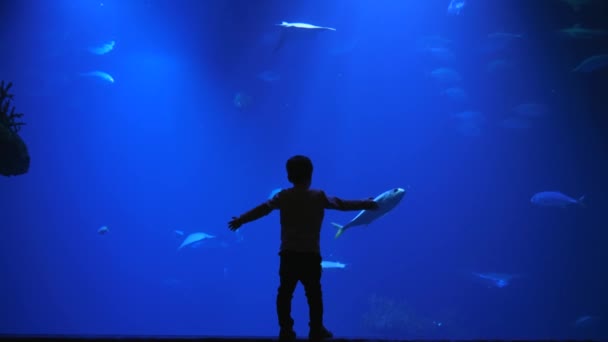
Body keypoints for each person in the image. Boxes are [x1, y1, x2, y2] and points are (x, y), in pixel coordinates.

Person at [228, 155, 379, 341]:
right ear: (310, 176)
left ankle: (285, 330)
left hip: (288, 254)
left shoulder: (283, 196)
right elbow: (341, 204)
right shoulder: (318, 196)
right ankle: (316, 329)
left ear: (289, 177)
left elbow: (263, 209)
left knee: (284, 294)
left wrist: (241, 219)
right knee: (314, 294)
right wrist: (365, 203)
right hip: (310, 256)